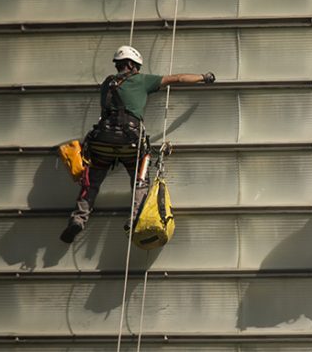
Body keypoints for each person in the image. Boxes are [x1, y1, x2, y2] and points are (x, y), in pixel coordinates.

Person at [60, 45, 216, 243]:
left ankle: (79, 219)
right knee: (140, 180)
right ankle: (135, 219)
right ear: (132, 65)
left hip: (102, 141)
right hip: (129, 141)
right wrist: (204, 77)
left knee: (90, 183)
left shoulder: (107, 83)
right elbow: (176, 78)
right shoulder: (141, 80)